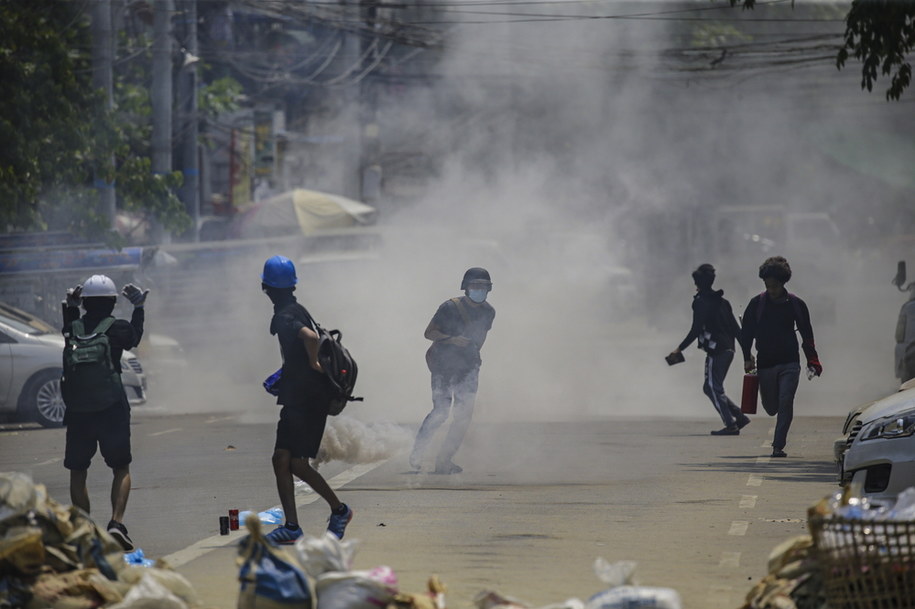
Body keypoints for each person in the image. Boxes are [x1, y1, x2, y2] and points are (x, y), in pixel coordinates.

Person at [260, 255, 353, 544]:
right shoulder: (296, 308)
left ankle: (339, 510)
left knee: (297, 463)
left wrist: (312, 364)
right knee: (281, 459)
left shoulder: (285, 315)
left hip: (307, 398)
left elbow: (311, 338)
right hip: (299, 396)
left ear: (266, 287)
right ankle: (291, 527)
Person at [61, 274, 148, 552]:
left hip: (78, 412)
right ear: (112, 302)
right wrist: (139, 308)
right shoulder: (118, 328)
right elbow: (135, 338)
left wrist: (71, 306)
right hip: (112, 409)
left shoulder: (72, 327)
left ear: (84, 302)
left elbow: (69, 324)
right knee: (120, 468)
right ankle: (116, 524)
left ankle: (86, 529)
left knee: (78, 470)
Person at [410, 267, 496, 474]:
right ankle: (417, 454)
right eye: (475, 286)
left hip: (468, 367)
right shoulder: (450, 307)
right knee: (441, 411)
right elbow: (429, 333)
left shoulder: (489, 311)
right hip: (444, 364)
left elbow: (481, 337)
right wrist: (451, 340)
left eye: (483, 286)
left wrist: (473, 356)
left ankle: (444, 460)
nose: (479, 290)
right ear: (466, 287)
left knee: (464, 415)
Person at [740, 256, 822, 458]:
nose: (771, 290)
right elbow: (746, 334)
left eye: (774, 286)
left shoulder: (796, 304)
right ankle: (777, 436)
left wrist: (813, 361)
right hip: (765, 364)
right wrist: (746, 357)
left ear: (783, 283)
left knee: (786, 400)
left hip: (790, 363)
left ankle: (778, 446)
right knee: (770, 408)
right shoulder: (756, 304)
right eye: (767, 286)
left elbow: (807, 335)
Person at [668, 264, 749, 436]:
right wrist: (747, 354)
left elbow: (696, 329)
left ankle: (731, 424)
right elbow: (737, 330)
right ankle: (739, 416)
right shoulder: (723, 302)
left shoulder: (700, 302)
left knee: (713, 387)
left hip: (716, 350)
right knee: (710, 387)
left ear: (696, 283)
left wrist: (679, 349)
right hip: (729, 349)